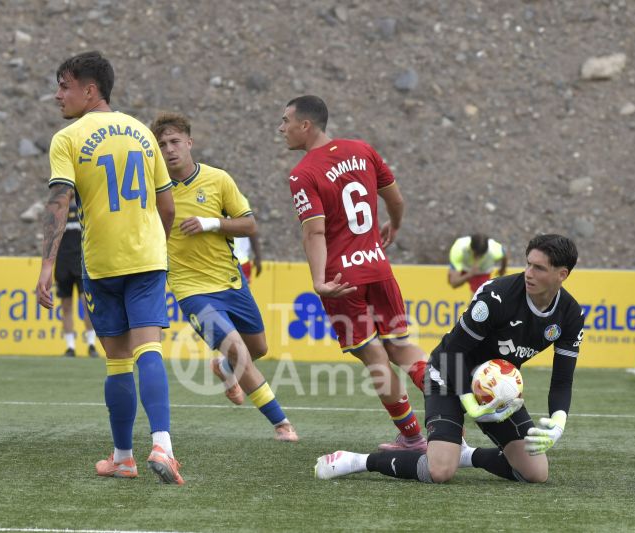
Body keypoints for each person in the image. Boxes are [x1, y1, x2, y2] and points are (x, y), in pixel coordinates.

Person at [315, 234, 584, 484]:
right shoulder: (496, 296)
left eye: (539, 268)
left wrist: (558, 421)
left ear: (562, 274)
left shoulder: (571, 315)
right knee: (440, 471)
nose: (528, 273)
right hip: (447, 373)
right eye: (528, 264)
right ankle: (357, 461)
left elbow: (562, 379)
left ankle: (465, 455)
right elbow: (452, 352)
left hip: (493, 388)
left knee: (535, 473)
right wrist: (469, 399)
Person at [35, 51, 183, 484]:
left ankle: (123, 457)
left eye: (65, 85)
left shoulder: (68, 137)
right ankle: (162, 446)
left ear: (90, 89)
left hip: (102, 263)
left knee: (118, 361)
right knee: (149, 350)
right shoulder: (142, 131)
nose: (58, 94)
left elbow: (59, 201)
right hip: (147, 258)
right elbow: (167, 205)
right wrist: (157, 243)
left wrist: (46, 266)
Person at [279, 95, 428, 451]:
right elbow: (397, 199)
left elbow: (314, 232)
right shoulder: (362, 149)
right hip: (378, 266)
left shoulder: (303, 174)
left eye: (285, 121)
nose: (281, 129)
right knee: (403, 348)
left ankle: (412, 438)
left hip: (343, 280)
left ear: (306, 125)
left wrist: (318, 281)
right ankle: (452, 417)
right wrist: (395, 225)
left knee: (376, 357)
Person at [150, 112, 298, 442]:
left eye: (175, 142)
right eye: (161, 145)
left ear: (189, 142)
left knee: (256, 348)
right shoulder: (152, 190)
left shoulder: (218, 180)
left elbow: (249, 224)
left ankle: (226, 368)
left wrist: (211, 222)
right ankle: (281, 424)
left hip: (232, 283)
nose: (169, 150)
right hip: (191, 290)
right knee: (237, 349)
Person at [54, 199, 99, 358]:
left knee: (87, 305)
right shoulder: (58, 213)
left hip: (81, 264)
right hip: (63, 265)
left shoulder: (85, 208)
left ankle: (91, 344)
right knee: (66, 307)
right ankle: (70, 347)